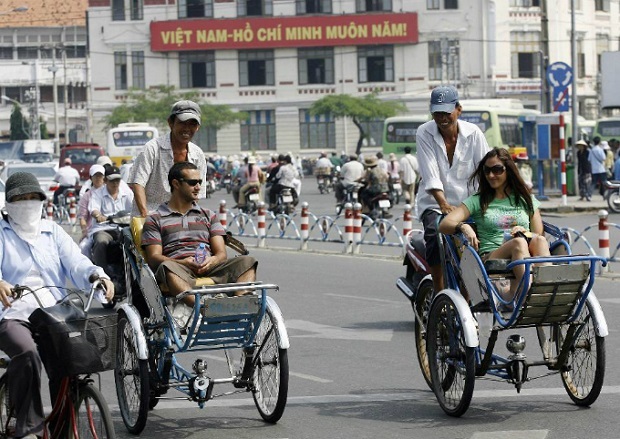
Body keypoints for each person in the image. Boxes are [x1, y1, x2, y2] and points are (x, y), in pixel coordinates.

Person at [0, 172, 114, 439]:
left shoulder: (53, 231)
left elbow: (76, 262)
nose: (28, 204)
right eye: (21, 199)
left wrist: (97, 275)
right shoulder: (1, 233)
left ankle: (62, 428)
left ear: (41, 201)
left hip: (54, 311)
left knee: (74, 357)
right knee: (27, 353)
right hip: (12, 312)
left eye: (33, 198)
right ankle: (29, 428)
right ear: (9, 203)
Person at [439, 148, 550, 301]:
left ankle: (546, 291)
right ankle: (528, 293)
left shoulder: (525, 199)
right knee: (518, 243)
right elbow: (445, 224)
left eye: (497, 170)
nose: (491, 175)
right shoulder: (478, 200)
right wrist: (464, 227)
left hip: (526, 254)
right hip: (492, 256)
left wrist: (525, 232)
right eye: (487, 170)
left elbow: (537, 234)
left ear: (508, 170)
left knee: (540, 241)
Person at [141, 162, 257, 308]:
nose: (198, 187)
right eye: (192, 182)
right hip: (178, 268)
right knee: (166, 266)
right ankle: (203, 309)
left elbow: (221, 253)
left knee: (247, 262)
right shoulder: (155, 219)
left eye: (200, 182)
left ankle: (241, 305)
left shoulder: (209, 215)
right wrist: (184, 262)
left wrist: (212, 260)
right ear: (176, 184)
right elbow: (154, 257)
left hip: (210, 267)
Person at [416, 85, 490, 294]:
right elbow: (430, 173)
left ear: (458, 109)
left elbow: (485, 170)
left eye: (446, 112)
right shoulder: (424, 132)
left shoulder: (474, 133)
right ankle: (440, 292)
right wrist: (444, 204)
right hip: (436, 203)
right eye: (437, 112)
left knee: (483, 237)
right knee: (434, 235)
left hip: (468, 202)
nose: (442, 118)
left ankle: (473, 291)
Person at [129, 100, 208, 217]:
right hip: (150, 215)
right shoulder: (152, 148)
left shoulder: (198, 154)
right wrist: (145, 215)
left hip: (180, 218)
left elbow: (196, 194)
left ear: (197, 127)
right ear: (171, 123)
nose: (187, 128)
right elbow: (137, 183)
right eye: (182, 123)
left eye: (192, 124)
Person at [88, 166, 134, 270]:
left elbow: (135, 208)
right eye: (112, 180)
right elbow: (93, 209)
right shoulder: (97, 194)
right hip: (104, 229)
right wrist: (98, 215)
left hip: (125, 228)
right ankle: (102, 276)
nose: (115, 183)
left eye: (117, 180)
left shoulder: (127, 193)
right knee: (100, 242)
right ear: (105, 181)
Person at [77, 164, 106, 255]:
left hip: (110, 227)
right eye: (96, 176)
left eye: (100, 176)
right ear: (91, 178)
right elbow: (82, 217)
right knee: (83, 247)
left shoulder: (110, 191)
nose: (98, 178)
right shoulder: (87, 195)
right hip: (92, 230)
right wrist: (84, 231)